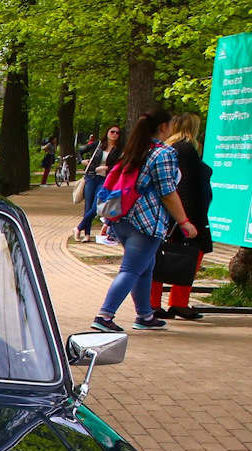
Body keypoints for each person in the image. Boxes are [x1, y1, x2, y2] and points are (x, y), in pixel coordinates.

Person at [90, 107, 196, 333]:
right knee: (130, 269)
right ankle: (105, 315)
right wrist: (185, 222)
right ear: (164, 127)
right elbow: (168, 192)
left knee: (145, 268)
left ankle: (145, 315)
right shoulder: (163, 153)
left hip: (122, 218)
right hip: (146, 221)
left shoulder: (136, 150)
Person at [151, 114, 211, 321]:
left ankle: (156, 302)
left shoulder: (169, 148)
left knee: (161, 256)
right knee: (190, 255)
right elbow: (185, 187)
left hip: (174, 214)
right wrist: (187, 220)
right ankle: (176, 302)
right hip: (185, 214)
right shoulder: (186, 149)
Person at [77, 125, 121, 240]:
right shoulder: (97, 145)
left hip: (105, 179)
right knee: (88, 205)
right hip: (91, 177)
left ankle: (78, 228)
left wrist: (107, 168)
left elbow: (119, 165)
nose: (114, 134)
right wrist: (81, 161)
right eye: (112, 132)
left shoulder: (118, 149)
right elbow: (80, 151)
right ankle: (86, 234)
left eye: (117, 133)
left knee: (96, 206)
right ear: (107, 133)